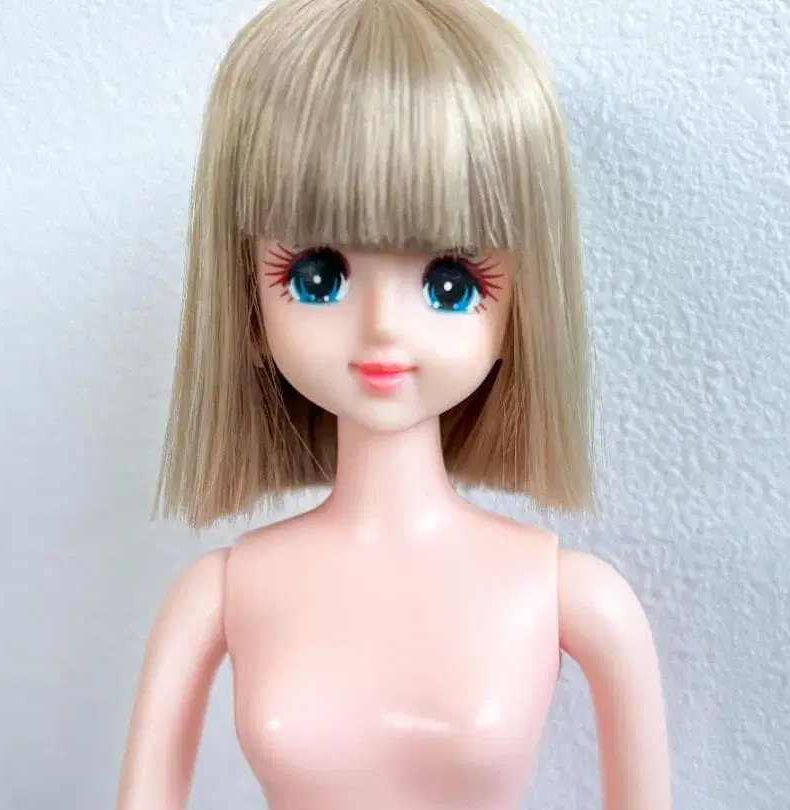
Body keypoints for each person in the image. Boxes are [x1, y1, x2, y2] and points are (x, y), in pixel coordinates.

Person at [115, 1, 671, 807]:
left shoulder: (576, 597)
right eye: (318, 277)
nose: (382, 327)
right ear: (246, 299)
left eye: (450, 283)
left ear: (523, 305)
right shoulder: (220, 594)